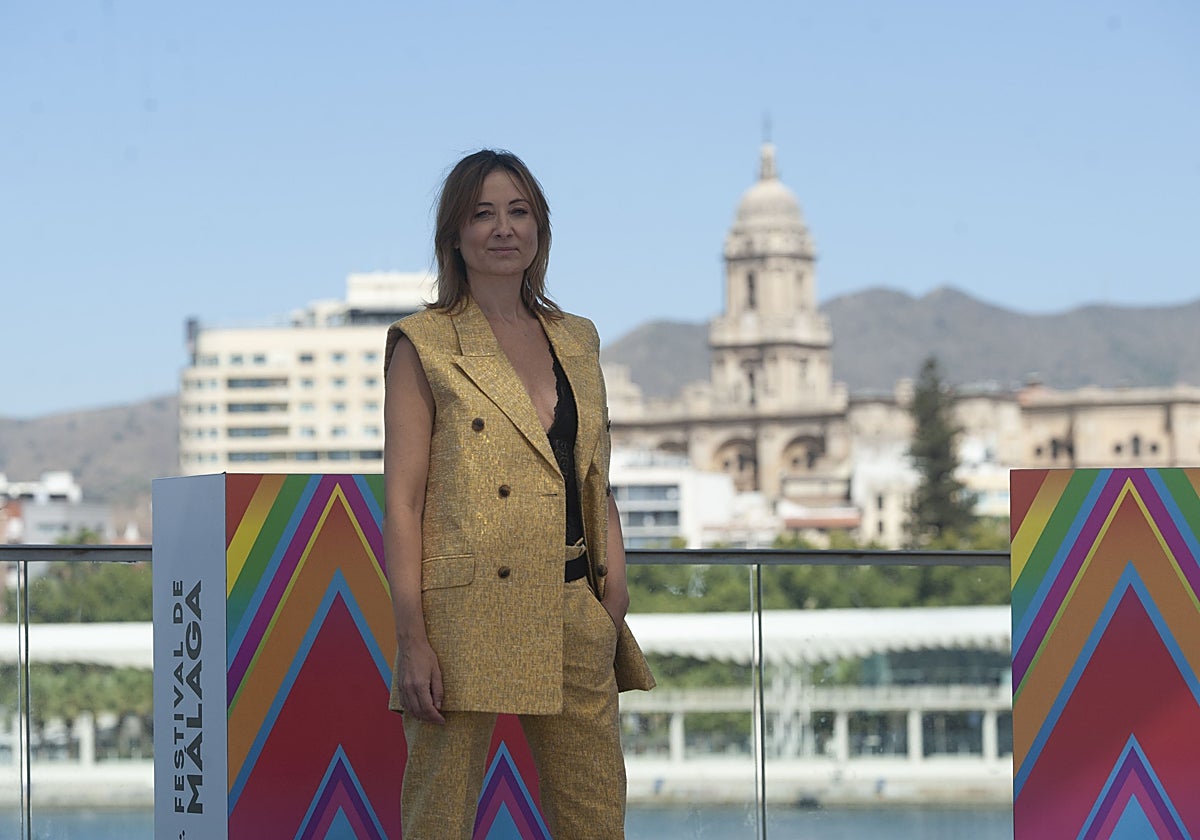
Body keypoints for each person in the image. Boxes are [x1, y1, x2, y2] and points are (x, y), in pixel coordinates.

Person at [383, 149, 655, 839]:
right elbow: (404, 504)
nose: (503, 229)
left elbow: (593, 475)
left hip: (573, 603)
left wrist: (613, 597)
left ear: (540, 227)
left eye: (519, 212)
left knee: (597, 819)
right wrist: (412, 638)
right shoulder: (424, 342)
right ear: (455, 234)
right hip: (461, 614)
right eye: (483, 214)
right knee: (439, 821)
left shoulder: (577, 338)